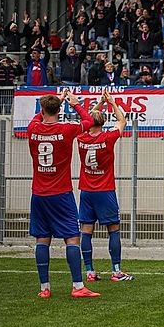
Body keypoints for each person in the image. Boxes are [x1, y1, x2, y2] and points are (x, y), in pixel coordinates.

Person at [27, 90, 99, 299]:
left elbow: (39, 116)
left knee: (42, 239)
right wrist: (74, 103)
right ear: (59, 111)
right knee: (72, 238)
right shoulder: (66, 129)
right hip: (61, 193)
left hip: (39, 193)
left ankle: (44, 288)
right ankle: (78, 286)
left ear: (42, 110)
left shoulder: (33, 128)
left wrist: (55, 102)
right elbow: (89, 121)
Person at [77, 91, 133, 283]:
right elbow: (122, 121)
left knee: (86, 230)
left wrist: (100, 103)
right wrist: (112, 103)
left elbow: (87, 119)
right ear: (103, 123)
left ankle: (90, 272)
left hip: (86, 190)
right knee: (113, 229)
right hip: (105, 190)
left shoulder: (81, 137)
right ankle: (116, 271)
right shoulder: (107, 138)